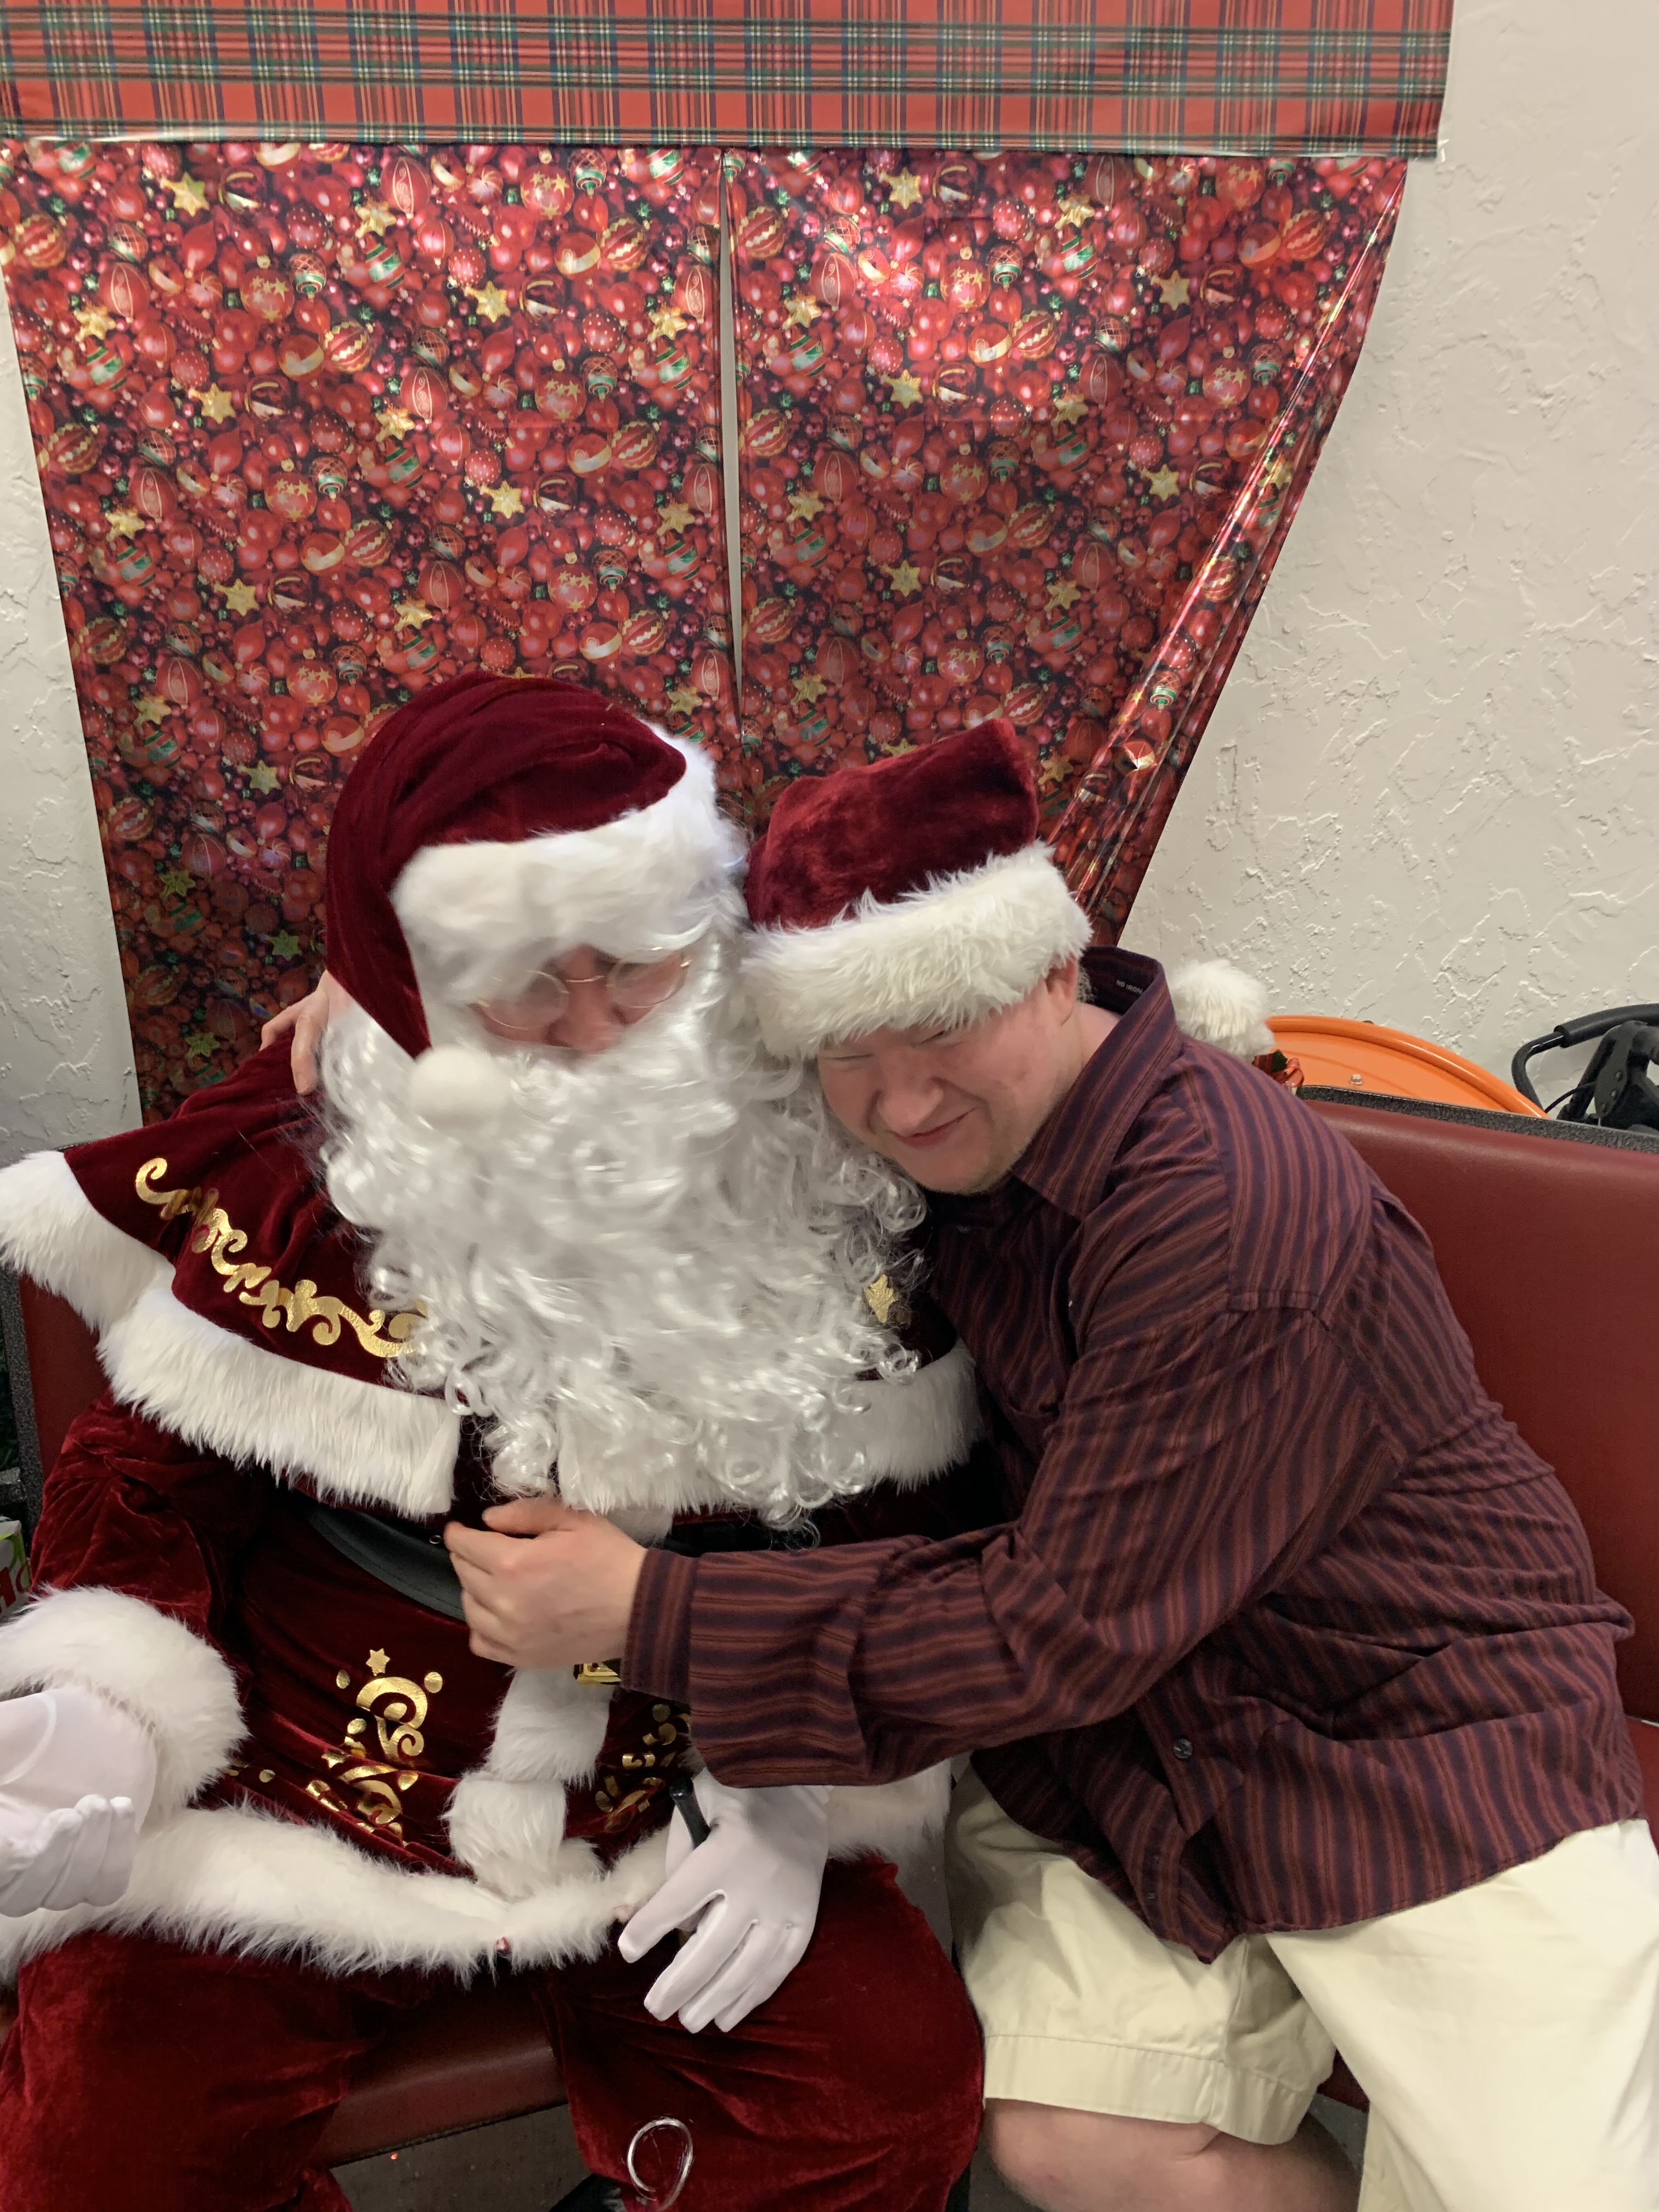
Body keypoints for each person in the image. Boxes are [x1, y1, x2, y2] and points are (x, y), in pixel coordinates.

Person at [455, 719, 1659, 2212]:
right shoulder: (933, 1150)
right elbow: (635, 1041)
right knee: (1074, 2138)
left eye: (940, 1026)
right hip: (1134, 1743)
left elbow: (1059, 1628)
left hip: (1410, 1722)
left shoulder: (1225, 1224)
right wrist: (376, 1013)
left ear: (1049, 967)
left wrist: (648, 1616)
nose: (901, 1101)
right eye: (847, 1049)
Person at [0, 674, 989, 2212]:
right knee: (96, 2155)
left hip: (668, 1800)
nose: (596, 1033)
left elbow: (889, 1530)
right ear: (411, 989)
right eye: (530, 985)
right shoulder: (304, 1166)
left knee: (888, 2096)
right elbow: (148, 1479)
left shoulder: (811, 1142)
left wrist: (790, 1789)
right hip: (302, 1792)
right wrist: (107, 1708)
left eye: (640, 963)